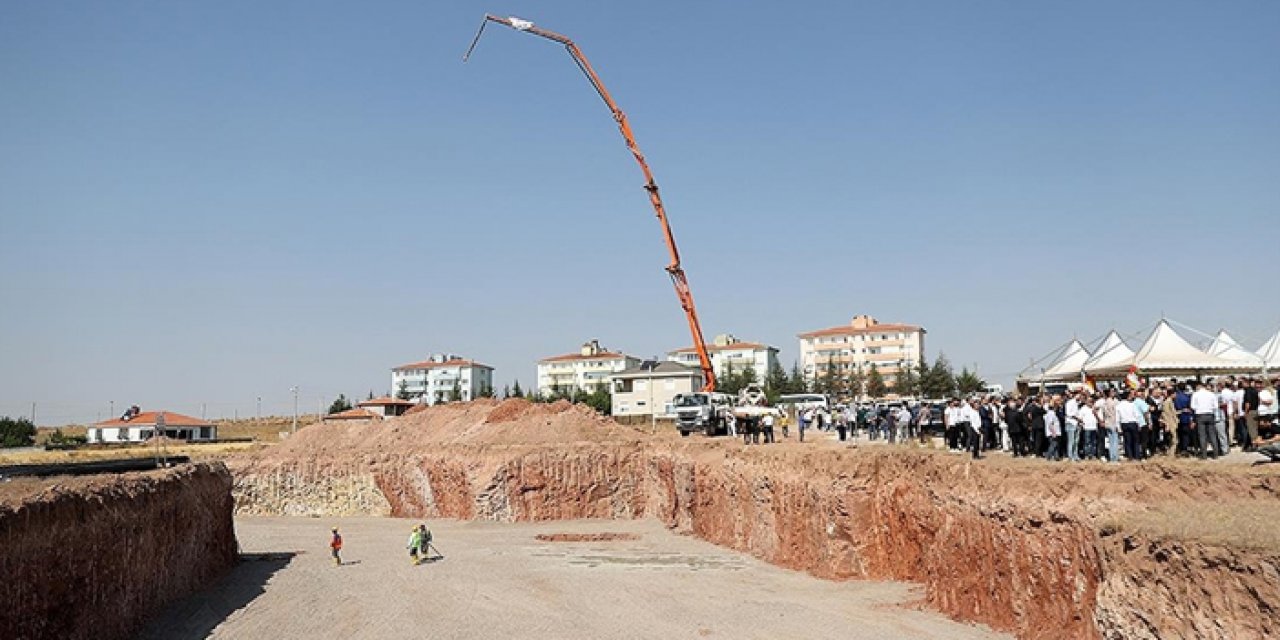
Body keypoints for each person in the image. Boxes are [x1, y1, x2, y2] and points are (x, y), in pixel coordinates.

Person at [1190, 381, 1221, 459]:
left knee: (1202, 435)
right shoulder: (1211, 394)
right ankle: (1216, 454)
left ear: (1198, 386)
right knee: (1212, 435)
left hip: (1200, 415)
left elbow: (1193, 406)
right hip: (1210, 414)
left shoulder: (1195, 394)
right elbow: (1216, 406)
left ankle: (1204, 455)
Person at [1116, 391, 1142, 462]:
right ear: (1127, 396)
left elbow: (1117, 418)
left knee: (1127, 441)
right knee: (1136, 441)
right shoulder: (1132, 405)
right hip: (1133, 423)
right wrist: (1139, 424)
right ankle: (1136, 457)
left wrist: (1118, 427)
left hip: (1124, 424)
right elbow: (1136, 415)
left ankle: (1130, 456)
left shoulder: (1118, 405)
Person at [1064, 392, 1082, 461]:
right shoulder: (1069, 403)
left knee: (1076, 441)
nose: (1080, 396)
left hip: (1077, 423)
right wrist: (1078, 418)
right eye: (1079, 395)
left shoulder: (1077, 403)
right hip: (1070, 423)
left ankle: (1075, 455)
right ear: (1075, 395)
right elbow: (1069, 414)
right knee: (1071, 441)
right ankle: (1070, 456)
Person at [1044, 397, 1062, 461]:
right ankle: (1048, 456)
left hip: (1052, 432)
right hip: (1053, 432)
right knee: (1053, 445)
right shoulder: (1051, 414)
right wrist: (1054, 432)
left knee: (1055, 445)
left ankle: (1056, 457)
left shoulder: (1048, 413)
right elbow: (1050, 424)